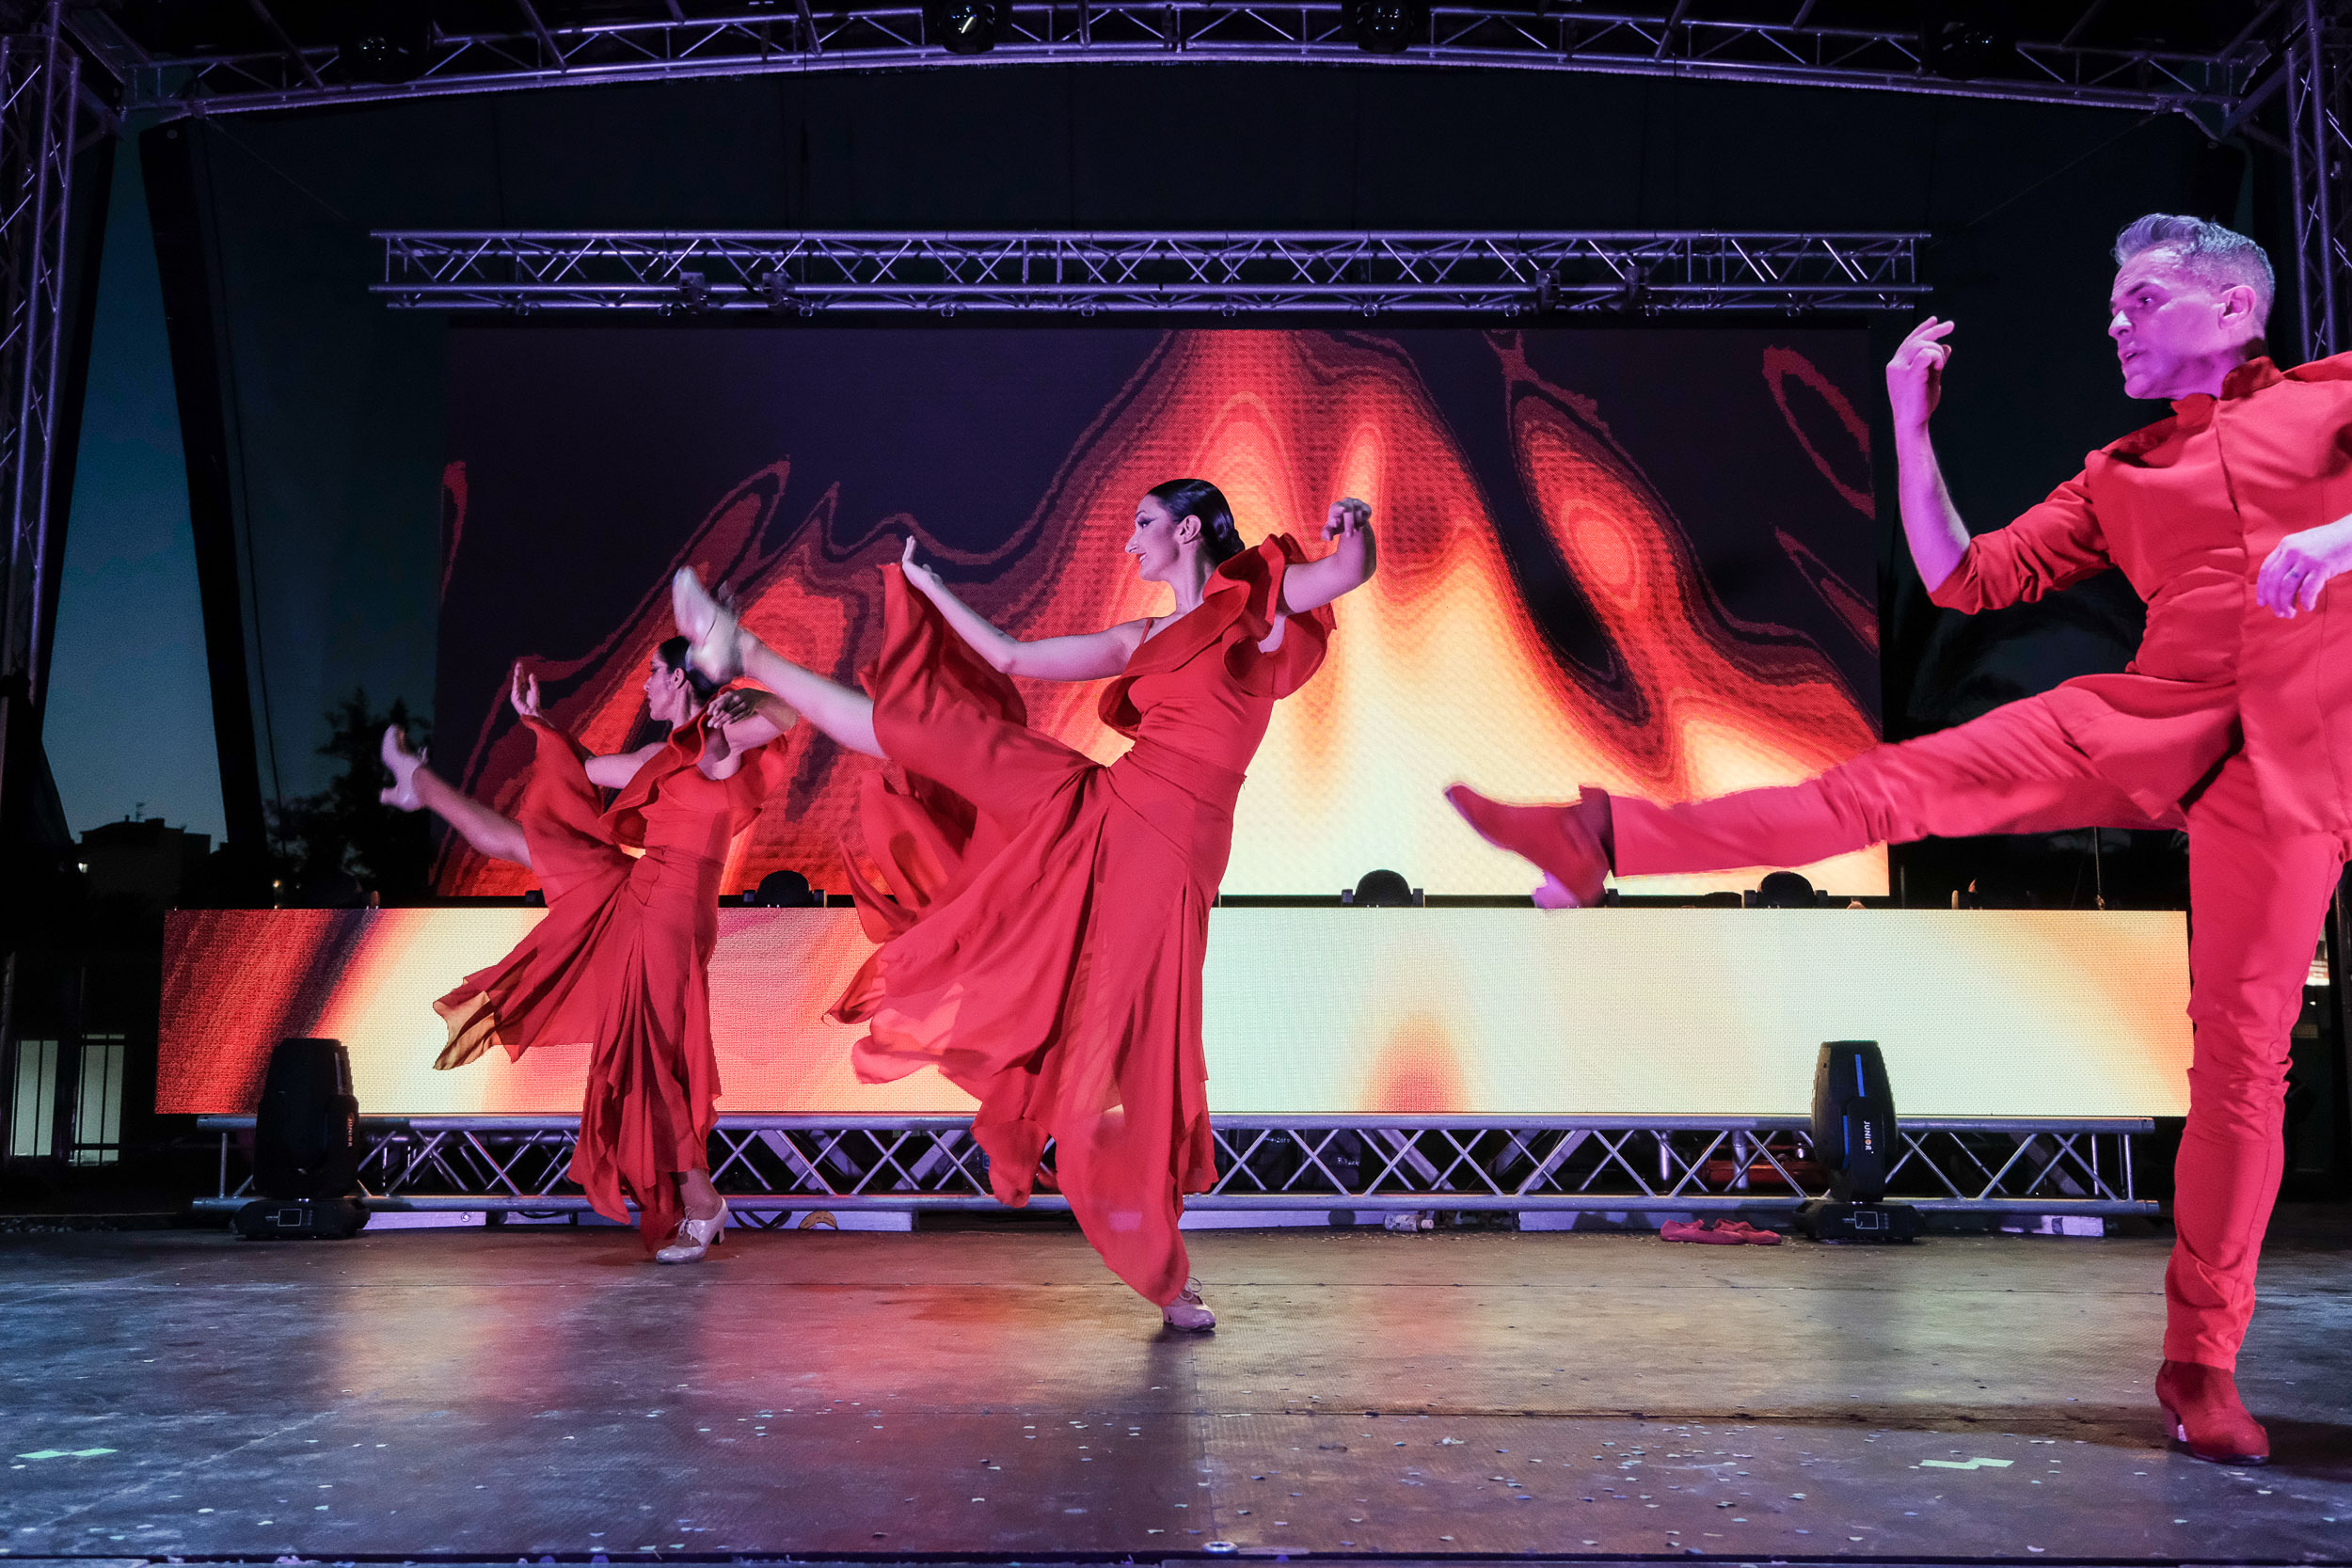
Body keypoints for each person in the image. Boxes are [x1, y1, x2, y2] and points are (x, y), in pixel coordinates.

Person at [1447, 213, 2352, 1466]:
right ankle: (1604, 836)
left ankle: (2201, 1363)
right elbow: (1962, 578)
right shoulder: (2121, 472)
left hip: (2308, 754)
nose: (2113, 320)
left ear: (2234, 309)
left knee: (2244, 1064)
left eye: (2140, 297)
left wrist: (2338, 533)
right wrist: (1910, 429)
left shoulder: (2334, 398)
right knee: (1899, 787)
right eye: (2113, 299)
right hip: (2156, 713)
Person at [671, 481, 1376, 1330]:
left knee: (1129, 1061)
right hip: (1103, 809)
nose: (1129, 542)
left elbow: (1344, 570)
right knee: (929, 729)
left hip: (1168, 857)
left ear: (1189, 528)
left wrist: (1353, 529)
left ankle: (1165, 1268)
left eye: (1143, 525)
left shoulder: (1250, 602)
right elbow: (1010, 657)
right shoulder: (1141, 636)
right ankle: (737, 647)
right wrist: (931, 590)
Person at [380, 639, 794, 1261]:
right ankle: (420, 784)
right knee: (531, 847)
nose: (645, 685)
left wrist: (736, 693)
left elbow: (787, 713)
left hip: (674, 915)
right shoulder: (661, 754)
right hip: (639, 898)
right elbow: (584, 770)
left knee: (653, 1056)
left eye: (653, 673)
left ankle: (703, 1201)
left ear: (681, 677)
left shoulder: (715, 742)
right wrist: (539, 725)